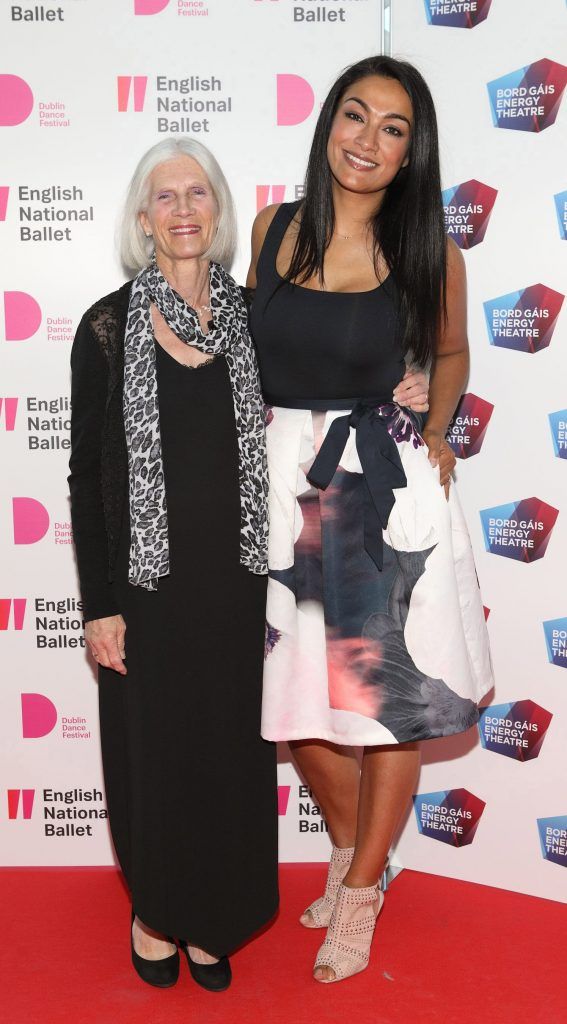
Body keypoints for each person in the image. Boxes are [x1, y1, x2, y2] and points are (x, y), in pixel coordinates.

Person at [247, 56, 493, 984]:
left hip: (381, 488)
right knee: (296, 710)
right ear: (328, 125)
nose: (367, 140)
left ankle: (354, 892)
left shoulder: (431, 249)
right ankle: (369, 863)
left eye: (392, 129)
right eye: (356, 116)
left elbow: (454, 350)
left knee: (384, 710)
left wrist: (436, 425)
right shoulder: (274, 229)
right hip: (278, 483)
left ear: (409, 153)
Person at [68, 138, 278, 992]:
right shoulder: (106, 326)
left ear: (219, 211)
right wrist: (99, 604)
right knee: (153, 753)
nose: (184, 209)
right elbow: (85, 474)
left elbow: (341, 375)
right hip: (145, 589)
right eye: (166, 197)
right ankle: (156, 909)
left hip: (236, 583)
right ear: (143, 219)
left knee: (226, 752)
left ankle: (213, 915)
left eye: (199, 193)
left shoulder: (260, 320)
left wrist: (414, 383)